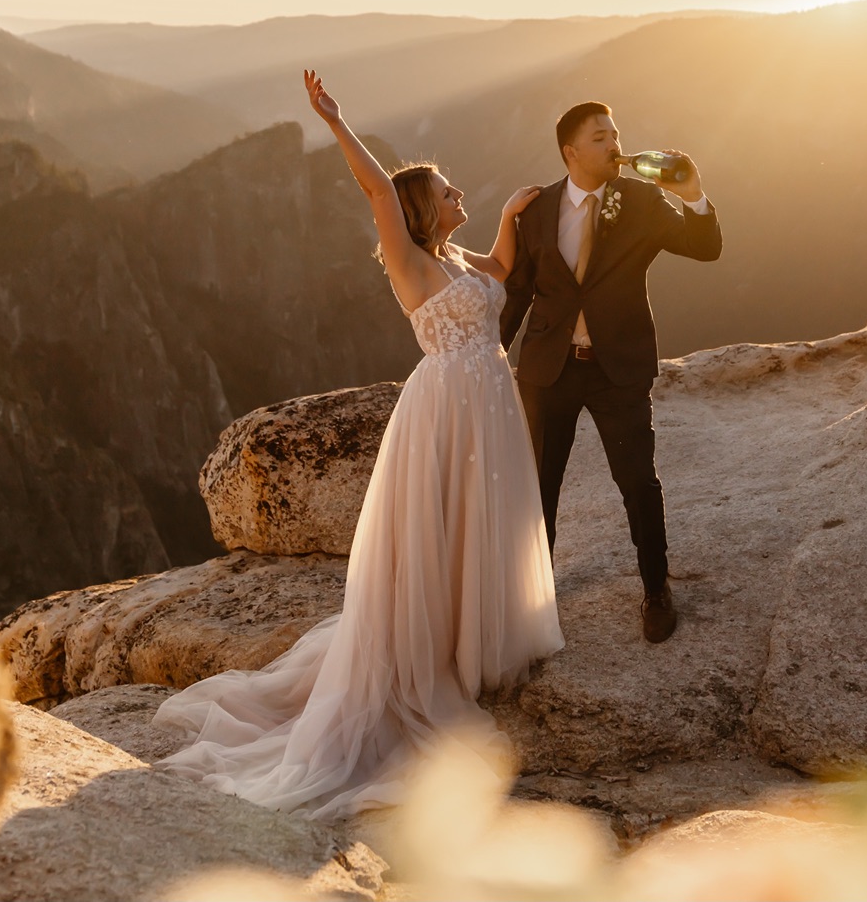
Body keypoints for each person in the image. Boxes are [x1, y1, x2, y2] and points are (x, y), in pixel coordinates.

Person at [151, 71, 563, 820]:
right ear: (420, 206)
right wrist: (338, 123)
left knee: (480, 520)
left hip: (488, 405)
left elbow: (503, 272)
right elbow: (379, 194)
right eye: (446, 189)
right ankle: (435, 655)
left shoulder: (462, 259)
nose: (457, 191)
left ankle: (472, 637)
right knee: (440, 529)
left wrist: (505, 215)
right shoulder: (412, 262)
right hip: (445, 410)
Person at [500, 102, 722, 644]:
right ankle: (532, 594)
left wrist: (692, 193)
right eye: (600, 138)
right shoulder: (536, 208)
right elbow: (518, 291)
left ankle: (655, 589)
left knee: (638, 482)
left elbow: (705, 248)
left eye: (616, 133)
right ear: (570, 152)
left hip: (617, 369)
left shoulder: (643, 200)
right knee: (539, 486)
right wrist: (485, 354)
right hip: (548, 370)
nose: (614, 144)